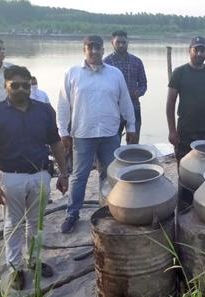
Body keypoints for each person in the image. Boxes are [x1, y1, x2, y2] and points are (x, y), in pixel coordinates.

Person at [0, 65, 69, 290]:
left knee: (37, 223)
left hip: (40, 175)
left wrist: (64, 173)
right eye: (15, 85)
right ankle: (15, 268)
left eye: (25, 85)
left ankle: (34, 261)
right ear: (5, 86)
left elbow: (55, 142)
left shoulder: (45, 110)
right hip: (10, 177)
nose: (20, 89)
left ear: (31, 85)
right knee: (13, 224)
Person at [57, 35, 137, 234]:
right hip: (83, 133)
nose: (93, 51)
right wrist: (63, 131)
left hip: (110, 133)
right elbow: (63, 105)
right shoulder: (72, 73)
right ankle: (72, 214)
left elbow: (125, 101)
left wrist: (132, 126)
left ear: (103, 49)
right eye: (89, 47)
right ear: (84, 50)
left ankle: (109, 209)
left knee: (109, 175)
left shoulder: (115, 74)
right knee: (79, 176)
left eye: (97, 47)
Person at [166, 35, 205, 162]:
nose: (199, 54)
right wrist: (172, 131)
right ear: (189, 50)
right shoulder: (179, 73)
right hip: (185, 130)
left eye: (203, 50)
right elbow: (170, 104)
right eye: (196, 50)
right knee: (184, 166)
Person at [103, 30, 147, 141]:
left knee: (133, 142)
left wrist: (138, 92)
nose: (121, 45)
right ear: (112, 43)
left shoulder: (137, 62)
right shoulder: (106, 63)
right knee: (112, 142)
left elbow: (143, 84)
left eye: (124, 42)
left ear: (128, 42)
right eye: (118, 42)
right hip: (113, 110)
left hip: (134, 106)